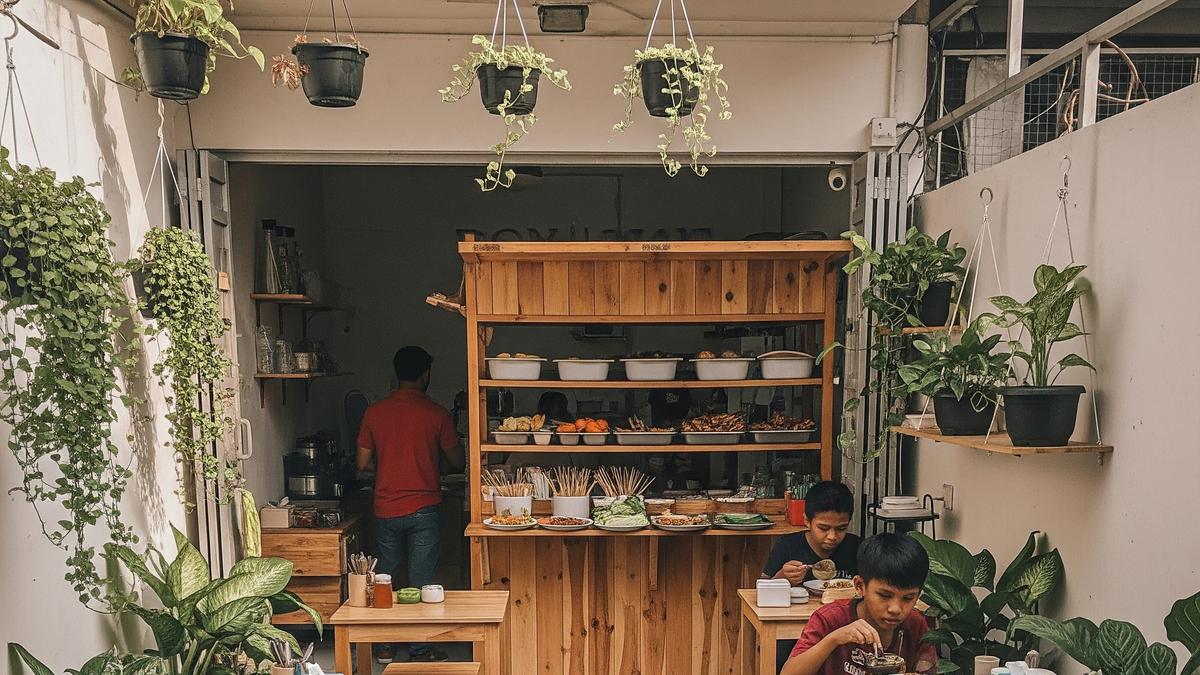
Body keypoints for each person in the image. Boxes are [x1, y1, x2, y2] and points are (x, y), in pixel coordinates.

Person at [357, 346, 464, 664]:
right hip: (424, 508)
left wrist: (388, 468)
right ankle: (419, 648)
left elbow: (362, 464)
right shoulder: (437, 414)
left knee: (385, 579)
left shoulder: (374, 413)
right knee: (423, 581)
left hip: (385, 507)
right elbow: (458, 461)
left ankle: (385, 647)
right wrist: (433, 465)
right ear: (425, 375)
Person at [780, 533, 937, 675]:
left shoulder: (916, 624)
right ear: (860, 586)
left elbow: (927, 668)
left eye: (908, 598)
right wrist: (833, 639)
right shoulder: (830, 619)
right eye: (884, 595)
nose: (895, 609)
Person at [762, 481, 862, 672]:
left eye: (841, 528)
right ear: (807, 520)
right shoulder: (789, 545)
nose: (832, 536)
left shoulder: (856, 547)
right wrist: (782, 577)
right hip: (795, 633)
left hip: (844, 628)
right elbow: (762, 589)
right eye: (823, 528)